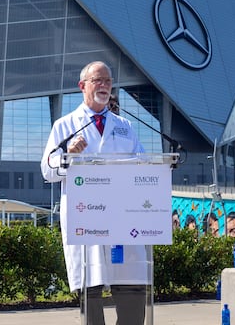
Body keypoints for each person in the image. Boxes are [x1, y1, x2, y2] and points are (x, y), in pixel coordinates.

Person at [40, 61, 146, 325]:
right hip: (87, 218)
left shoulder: (124, 126)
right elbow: (47, 170)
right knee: (92, 288)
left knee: (130, 286)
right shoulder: (65, 126)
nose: (104, 86)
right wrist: (67, 155)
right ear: (82, 86)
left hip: (123, 218)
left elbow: (143, 164)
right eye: (98, 80)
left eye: (108, 81)